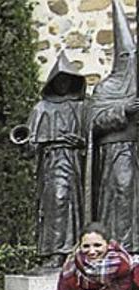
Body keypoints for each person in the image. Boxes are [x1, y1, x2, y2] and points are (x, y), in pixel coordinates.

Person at [20, 51, 86, 269]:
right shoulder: (41, 109)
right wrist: (26, 143)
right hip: (51, 162)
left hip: (75, 161)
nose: (64, 84)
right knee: (55, 202)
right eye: (60, 80)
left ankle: (74, 251)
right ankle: (54, 251)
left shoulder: (81, 107)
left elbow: (92, 138)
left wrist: (79, 141)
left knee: (74, 205)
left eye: (68, 80)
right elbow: (29, 145)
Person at [87, 0, 139, 254]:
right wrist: (123, 110)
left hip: (135, 150)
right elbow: (93, 122)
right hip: (115, 150)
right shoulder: (106, 87)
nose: (130, 61)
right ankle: (120, 246)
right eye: (125, 56)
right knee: (120, 191)